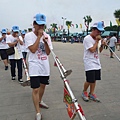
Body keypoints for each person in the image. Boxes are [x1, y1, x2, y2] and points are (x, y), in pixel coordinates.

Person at [25, 13, 53, 120]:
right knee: (35, 89)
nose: (41, 27)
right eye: (38, 25)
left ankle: (40, 101)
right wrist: (39, 38)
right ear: (34, 24)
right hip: (34, 65)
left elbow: (48, 52)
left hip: (44, 65)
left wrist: (45, 42)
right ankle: (38, 112)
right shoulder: (28, 36)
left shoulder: (47, 36)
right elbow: (32, 49)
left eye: (42, 25)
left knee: (43, 86)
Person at [82, 22, 106, 102]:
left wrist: (102, 44)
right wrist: (96, 41)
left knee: (95, 79)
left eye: (100, 31)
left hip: (96, 61)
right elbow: (92, 50)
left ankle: (91, 93)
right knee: (89, 79)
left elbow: (99, 50)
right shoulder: (87, 39)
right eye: (98, 31)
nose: (99, 33)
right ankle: (84, 91)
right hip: (89, 61)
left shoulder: (97, 39)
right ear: (93, 30)